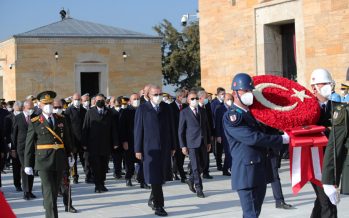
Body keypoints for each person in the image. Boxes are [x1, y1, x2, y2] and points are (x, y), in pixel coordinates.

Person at [223, 73, 289, 218]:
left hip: (259, 171)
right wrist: (281, 139)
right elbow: (252, 138)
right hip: (247, 173)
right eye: (245, 91)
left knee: (254, 213)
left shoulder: (252, 113)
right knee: (251, 214)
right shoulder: (233, 116)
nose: (249, 94)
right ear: (235, 93)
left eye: (250, 91)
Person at [24, 91, 73, 218]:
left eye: (50, 103)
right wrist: (27, 164)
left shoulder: (61, 119)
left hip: (59, 159)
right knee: (50, 191)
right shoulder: (35, 121)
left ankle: (48, 207)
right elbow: (29, 144)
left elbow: (67, 140)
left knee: (54, 191)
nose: (49, 106)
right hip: (43, 161)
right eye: (45, 103)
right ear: (39, 105)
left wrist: (70, 155)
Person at [134, 85, 175, 216]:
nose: (158, 97)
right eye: (155, 94)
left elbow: (171, 127)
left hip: (164, 147)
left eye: (160, 94)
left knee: (161, 176)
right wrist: (138, 149)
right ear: (149, 96)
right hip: (149, 149)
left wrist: (173, 145)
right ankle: (159, 206)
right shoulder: (142, 108)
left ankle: (153, 199)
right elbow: (138, 130)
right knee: (155, 177)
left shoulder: (166, 108)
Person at [309, 68, 338, 218]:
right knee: (328, 200)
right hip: (314, 161)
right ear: (314, 88)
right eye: (323, 83)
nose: (328, 86)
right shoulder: (306, 109)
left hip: (332, 161)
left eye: (329, 83)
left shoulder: (338, 107)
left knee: (323, 200)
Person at [82, 93, 119, 193]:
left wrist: (115, 142)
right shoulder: (90, 112)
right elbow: (85, 128)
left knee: (104, 166)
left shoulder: (109, 113)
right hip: (93, 145)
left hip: (106, 144)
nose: (100, 102)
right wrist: (84, 143)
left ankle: (102, 183)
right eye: (98, 100)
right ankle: (97, 185)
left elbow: (113, 129)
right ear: (95, 102)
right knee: (95, 166)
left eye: (102, 100)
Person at [178, 91, 211, 198]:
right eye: (192, 99)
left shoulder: (202, 111)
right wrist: (183, 145)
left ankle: (191, 179)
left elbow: (207, 127)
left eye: (196, 98)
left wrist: (209, 141)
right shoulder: (184, 112)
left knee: (203, 164)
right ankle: (199, 188)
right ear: (188, 101)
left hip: (203, 142)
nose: (194, 100)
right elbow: (181, 131)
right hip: (191, 143)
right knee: (196, 166)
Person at [52, 99, 77, 213]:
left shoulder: (63, 119)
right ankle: (51, 207)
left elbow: (67, 137)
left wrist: (70, 153)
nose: (58, 109)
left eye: (59, 107)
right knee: (51, 185)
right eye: (55, 107)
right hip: (49, 157)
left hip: (62, 155)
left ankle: (68, 205)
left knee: (66, 181)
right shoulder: (43, 120)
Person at [12, 100, 36, 200]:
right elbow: (14, 134)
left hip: (33, 147)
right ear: (24, 108)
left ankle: (30, 190)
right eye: (29, 108)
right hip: (21, 148)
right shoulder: (18, 118)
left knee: (31, 168)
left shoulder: (35, 117)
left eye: (32, 108)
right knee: (25, 168)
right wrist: (13, 148)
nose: (31, 110)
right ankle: (26, 192)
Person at [64, 93, 87, 184]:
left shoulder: (84, 111)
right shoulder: (68, 111)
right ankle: (75, 176)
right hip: (73, 139)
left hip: (82, 139)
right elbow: (67, 127)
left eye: (78, 99)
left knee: (84, 158)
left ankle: (87, 174)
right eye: (75, 99)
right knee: (73, 160)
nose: (77, 101)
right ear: (72, 100)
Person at [169, 89, 188, 183]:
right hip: (174, 135)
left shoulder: (185, 106)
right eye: (184, 97)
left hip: (184, 135)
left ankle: (176, 172)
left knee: (182, 155)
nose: (185, 99)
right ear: (178, 97)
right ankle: (181, 174)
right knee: (176, 156)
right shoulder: (170, 107)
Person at [5, 101, 23, 192]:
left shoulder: (24, 116)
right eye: (18, 110)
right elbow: (7, 133)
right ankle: (17, 184)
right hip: (13, 144)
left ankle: (26, 185)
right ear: (14, 109)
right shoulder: (8, 118)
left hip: (22, 144)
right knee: (16, 166)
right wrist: (10, 147)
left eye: (21, 110)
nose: (20, 111)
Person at [214, 93, 233, 176]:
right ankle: (225, 169)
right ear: (224, 100)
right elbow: (217, 123)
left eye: (231, 99)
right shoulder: (219, 109)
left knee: (232, 152)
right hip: (223, 134)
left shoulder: (233, 108)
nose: (230, 101)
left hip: (232, 134)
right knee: (228, 152)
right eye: (228, 99)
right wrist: (218, 135)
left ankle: (230, 168)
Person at [197, 90, 214, 179]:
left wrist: (211, 133)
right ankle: (195, 174)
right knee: (199, 157)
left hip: (207, 134)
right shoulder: (196, 108)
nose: (207, 99)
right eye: (206, 97)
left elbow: (209, 121)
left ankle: (205, 172)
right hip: (198, 137)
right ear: (200, 98)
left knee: (206, 155)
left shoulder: (207, 106)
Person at [211, 87, 225, 171]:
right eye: (222, 94)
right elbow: (214, 118)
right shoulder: (214, 103)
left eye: (224, 94)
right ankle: (219, 164)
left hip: (224, 129)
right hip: (217, 128)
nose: (223, 96)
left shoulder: (223, 103)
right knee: (218, 149)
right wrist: (216, 133)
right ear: (218, 94)